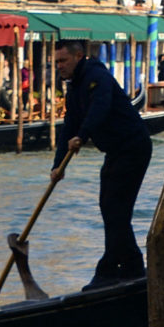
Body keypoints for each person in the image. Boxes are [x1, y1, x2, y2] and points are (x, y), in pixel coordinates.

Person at [51, 40, 153, 290]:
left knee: (115, 208)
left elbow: (100, 107)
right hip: (116, 152)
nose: (59, 67)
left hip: (133, 147)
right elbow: (69, 125)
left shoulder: (98, 76)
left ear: (78, 56)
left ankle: (109, 269)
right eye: (56, 63)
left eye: (63, 61)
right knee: (110, 208)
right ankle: (131, 266)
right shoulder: (74, 88)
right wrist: (58, 165)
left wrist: (83, 135)